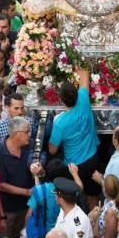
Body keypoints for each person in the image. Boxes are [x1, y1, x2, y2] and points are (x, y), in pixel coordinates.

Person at [49, 69, 100, 208]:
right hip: (92, 157)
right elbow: (85, 74)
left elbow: (52, 150)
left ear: (61, 99)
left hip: (73, 166)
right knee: (93, 196)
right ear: (76, 95)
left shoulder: (59, 122)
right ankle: (93, 224)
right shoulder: (83, 100)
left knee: (74, 199)